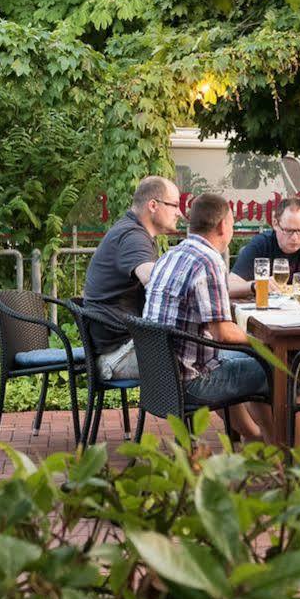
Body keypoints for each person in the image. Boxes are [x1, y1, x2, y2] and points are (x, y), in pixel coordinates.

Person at [140, 191, 270, 444]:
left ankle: (256, 438)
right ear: (223, 225)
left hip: (159, 379)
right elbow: (223, 333)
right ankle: (283, 453)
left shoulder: (170, 255)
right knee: (276, 370)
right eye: (232, 223)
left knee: (237, 359)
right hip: (192, 383)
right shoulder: (208, 261)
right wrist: (264, 344)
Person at [81, 177, 183, 380]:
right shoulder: (132, 236)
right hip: (117, 355)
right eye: (175, 206)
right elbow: (153, 279)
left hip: (124, 345)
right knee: (198, 359)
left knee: (206, 357)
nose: (179, 213)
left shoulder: (133, 231)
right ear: (153, 205)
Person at [230, 198, 300, 285]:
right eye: (288, 231)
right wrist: (256, 285)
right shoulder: (261, 244)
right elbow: (231, 285)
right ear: (275, 224)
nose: (294, 237)